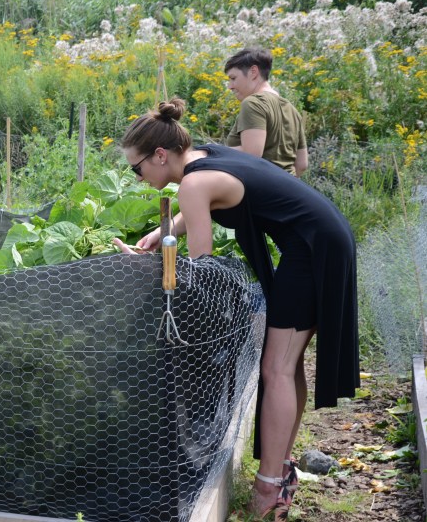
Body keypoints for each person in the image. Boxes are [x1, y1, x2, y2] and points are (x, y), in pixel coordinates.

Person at [113, 99, 359, 520]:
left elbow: (201, 270)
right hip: (322, 239)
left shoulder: (192, 184)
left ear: (159, 156)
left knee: (276, 368)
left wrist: (150, 269)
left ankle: (267, 491)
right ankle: (280, 471)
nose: (137, 178)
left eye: (136, 169)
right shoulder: (206, 156)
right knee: (289, 362)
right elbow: (203, 204)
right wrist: (163, 232)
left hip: (312, 252)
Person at [224, 47, 309, 176]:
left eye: (233, 78)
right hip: (289, 189)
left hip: (259, 190)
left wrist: (214, 151)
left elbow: (252, 155)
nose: (230, 86)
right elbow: (302, 165)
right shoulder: (292, 110)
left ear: (253, 72)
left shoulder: (253, 103)